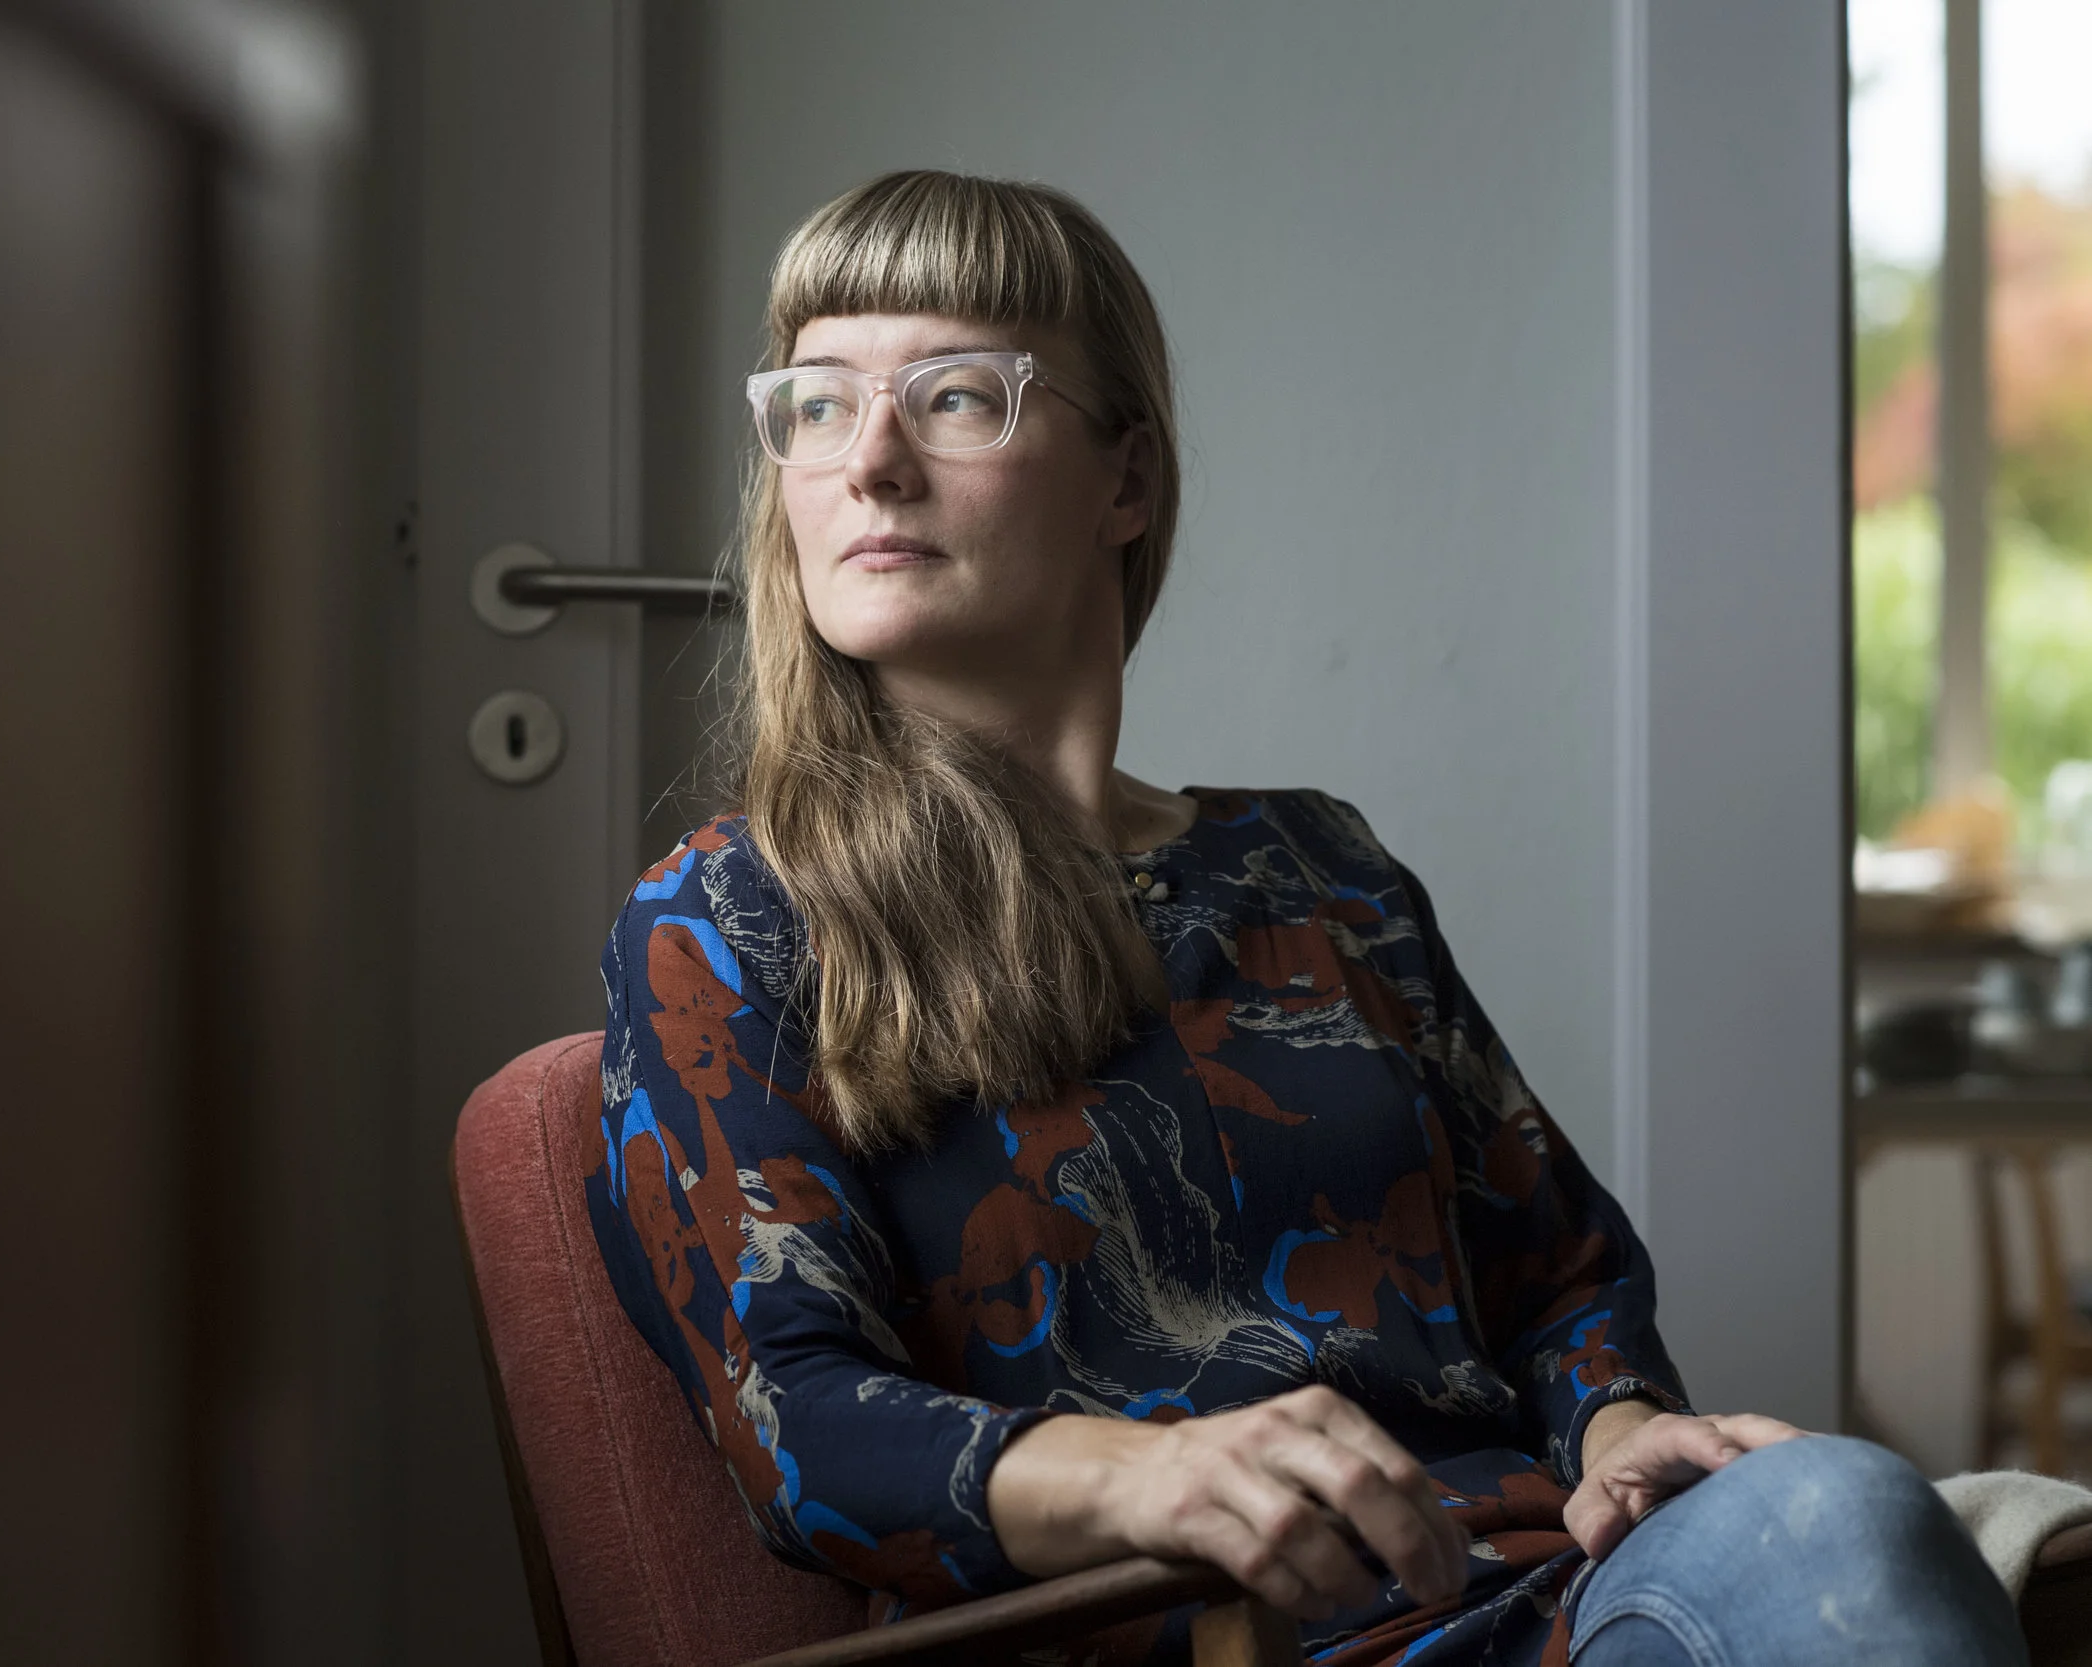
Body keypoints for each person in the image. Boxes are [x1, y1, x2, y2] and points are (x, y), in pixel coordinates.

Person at [584, 170, 2024, 1666]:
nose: (871, 462)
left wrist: (1622, 1430)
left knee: (1830, 1502)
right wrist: (1151, 1477)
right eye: (818, 403)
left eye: (956, 398)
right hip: (1199, 1639)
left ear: (1127, 482)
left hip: (1548, 1597)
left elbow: (1559, 1277)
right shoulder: (725, 919)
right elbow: (799, 1421)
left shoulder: (1321, 866)